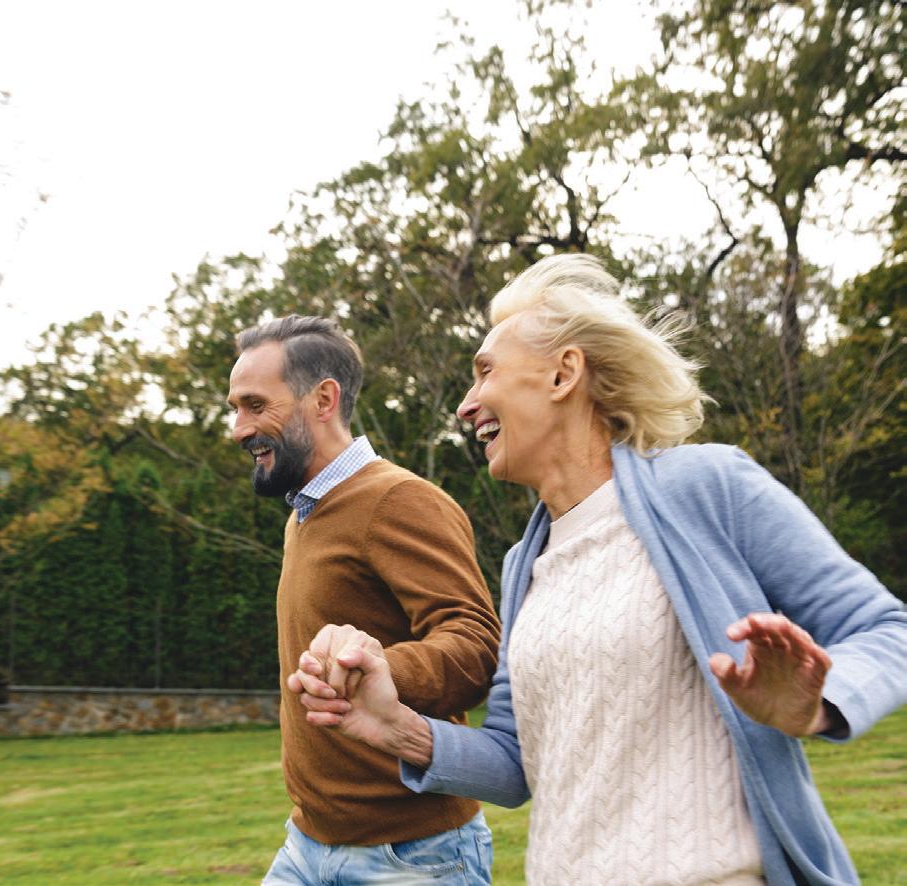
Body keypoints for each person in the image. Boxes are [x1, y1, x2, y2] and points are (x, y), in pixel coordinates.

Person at [287, 255, 907, 886]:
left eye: (485, 371)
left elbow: (888, 629)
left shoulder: (706, 485)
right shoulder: (526, 564)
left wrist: (812, 706)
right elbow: (516, 761)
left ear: (564, 373)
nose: (466, 406)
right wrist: (396, 728)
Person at [226, 315, 502, 885]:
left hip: (413, 854)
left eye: (255, 406)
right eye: (235, 408)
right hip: (308, 843)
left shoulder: (398, 500)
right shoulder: (304, 514)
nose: (238, 429)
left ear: (323, 399)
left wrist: (379, 669)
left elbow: (476, 645)